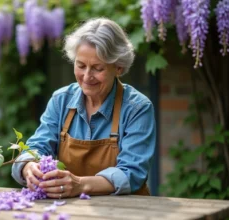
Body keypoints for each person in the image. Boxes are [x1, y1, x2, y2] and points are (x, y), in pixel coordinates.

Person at [12, 17, 156, 198]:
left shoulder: (137, 108)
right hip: (71, 210)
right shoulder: (61, 100)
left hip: (126, 211)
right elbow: (37, 146)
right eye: (80, 65)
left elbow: (131, 173)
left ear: (118, 68)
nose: (87, 76)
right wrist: (28, 166)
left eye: (97, 68)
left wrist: (79, 185)